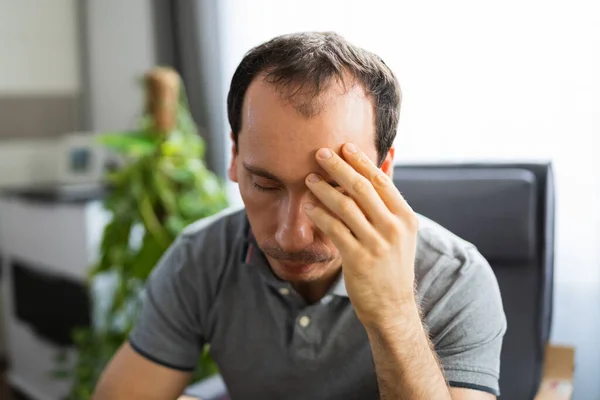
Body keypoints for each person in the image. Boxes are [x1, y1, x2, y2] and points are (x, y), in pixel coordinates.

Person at [93, 32, 506, 400]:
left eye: (331, 190)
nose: (292, 236)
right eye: (266, 185)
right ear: (235, 157)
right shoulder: (201, 258)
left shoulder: (454, 278)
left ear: (383, 172)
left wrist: (393, 312)